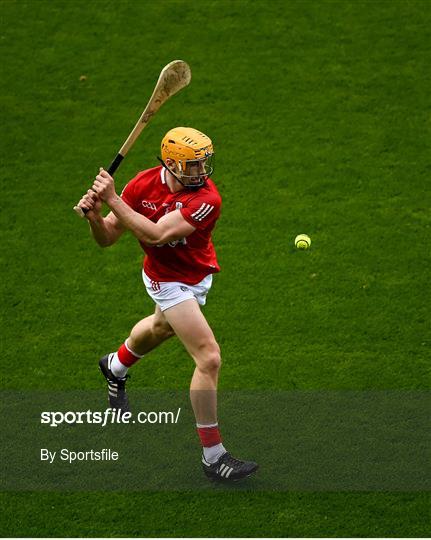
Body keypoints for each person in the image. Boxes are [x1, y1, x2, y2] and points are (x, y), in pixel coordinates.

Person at [77, 127, 258, 482]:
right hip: (165, 280)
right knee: (209, 357)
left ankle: (115, 366)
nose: (202, 172)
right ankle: (213, 456)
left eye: (205, 163)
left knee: (161, 327)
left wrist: (111, 200)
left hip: (195, 274)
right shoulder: (141, 186)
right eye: (193, 166)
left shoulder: (207, 199)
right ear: (172, 164)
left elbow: (157, 234)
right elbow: (108, 238)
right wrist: (96, 217)